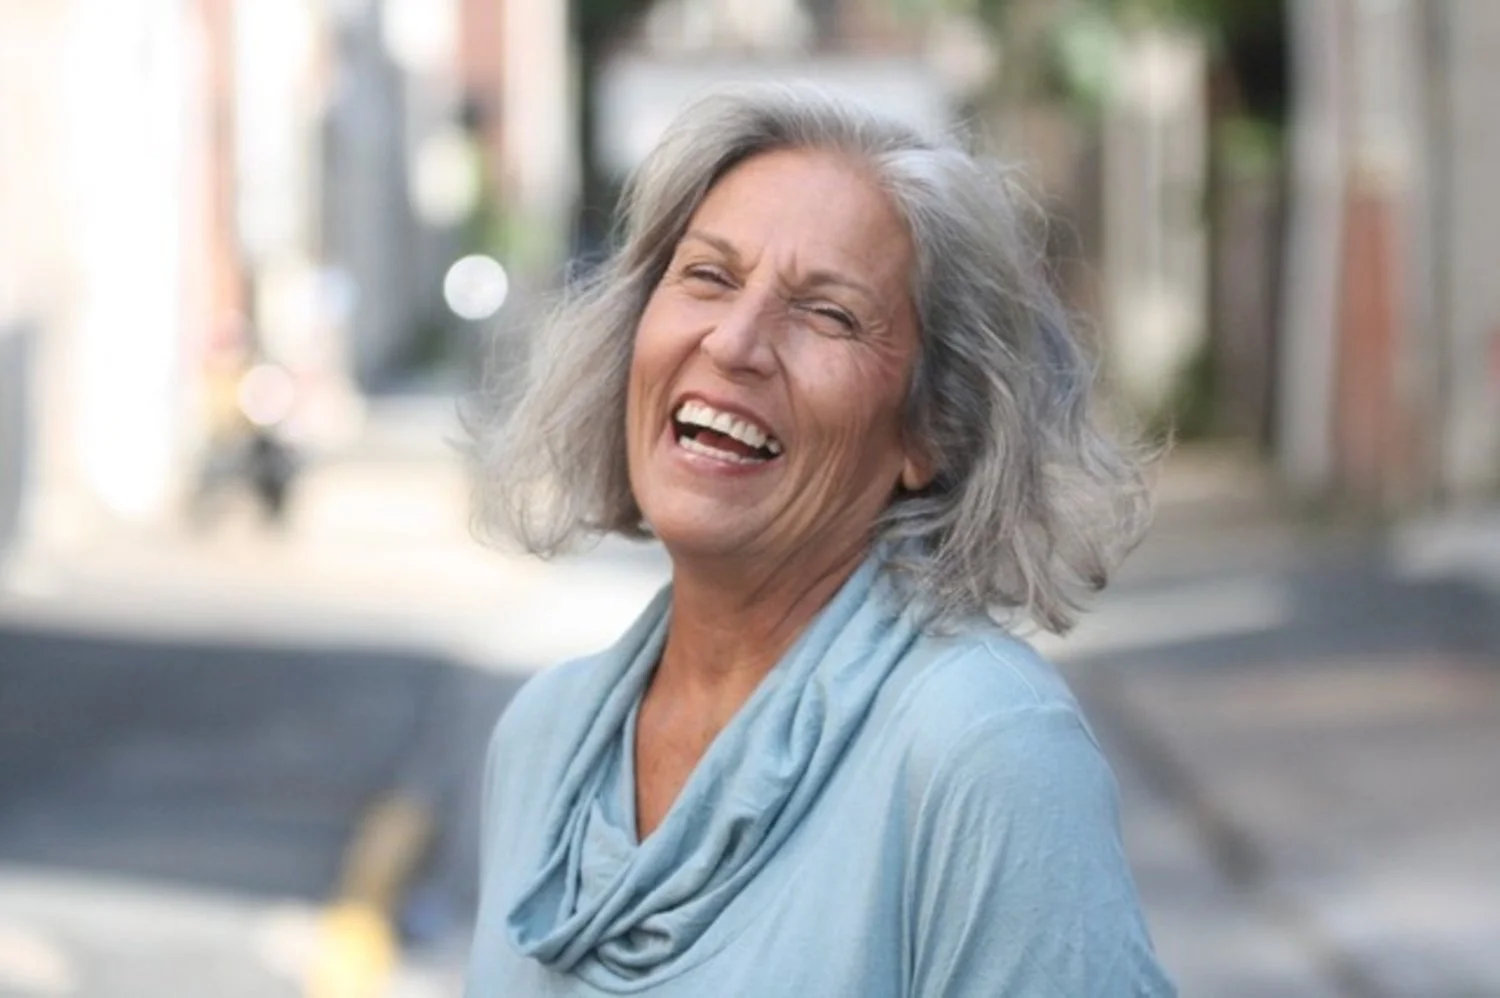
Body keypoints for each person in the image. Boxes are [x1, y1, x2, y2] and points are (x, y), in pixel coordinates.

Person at [463, 84, 1175, 996]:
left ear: (930, 430)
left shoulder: (981, 752)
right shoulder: (543, 738)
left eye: (829, 313)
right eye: (709, 275)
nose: (737, 341)